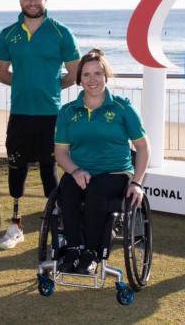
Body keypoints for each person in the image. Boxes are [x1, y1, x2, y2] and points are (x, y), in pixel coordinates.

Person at [0, 0, 80, 249]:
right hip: (20, 113)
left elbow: (75, 72)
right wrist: (23, 85)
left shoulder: (60, 32)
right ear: (20, 1)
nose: (32, 2)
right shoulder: (8, 34)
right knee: (16, 168)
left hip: (51, 115)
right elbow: (1, 73)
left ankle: (57, 224)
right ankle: (15, 225)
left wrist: (53, 87)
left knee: (49, 168)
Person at [53, 49, 150, 274]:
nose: (92, 80)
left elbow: (143, 148)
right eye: (86, 75)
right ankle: (73, 248)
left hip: (116, 173)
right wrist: (75, 171)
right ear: (79, 80)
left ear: (106, 76)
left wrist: (137, 182)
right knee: (66, 187)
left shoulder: (123, 108)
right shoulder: (67, 112)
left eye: (97, 73)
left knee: (95, 189)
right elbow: (60, 153)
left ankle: (92, 252)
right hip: (80, 171)